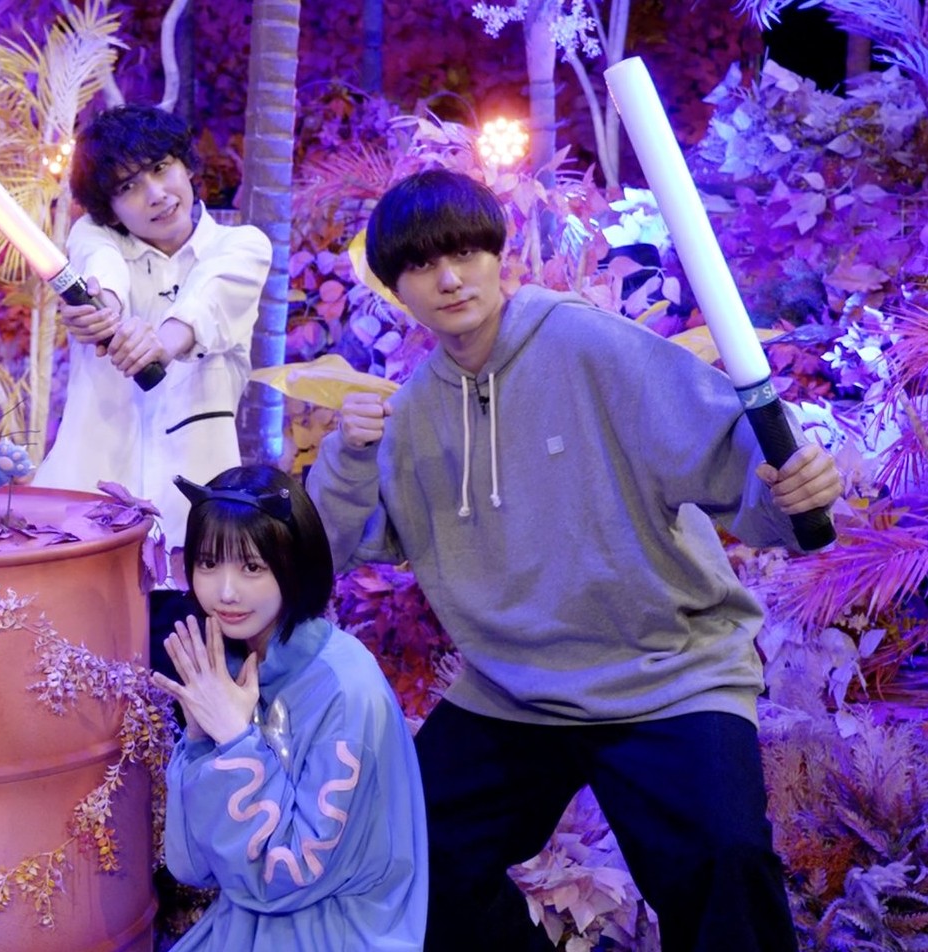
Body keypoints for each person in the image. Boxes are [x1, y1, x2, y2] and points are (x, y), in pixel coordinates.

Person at [306, 169, 844, 952]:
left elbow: (731, 452)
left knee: (725, 864)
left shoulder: (589, 345)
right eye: (421, 265)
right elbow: (327, 550)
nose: (449, 279)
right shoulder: (410, 413)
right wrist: (347, 460)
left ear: (498, 256)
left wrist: (792, 493)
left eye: (464, 253)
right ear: (396, 288)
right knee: (401, 855)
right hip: (513, 691)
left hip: (666, 674)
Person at [153, 464, 427, 951]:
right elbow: (192, 866)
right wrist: (198, 740)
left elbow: (287, 876)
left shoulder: (345, 689)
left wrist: (235, 741)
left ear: (294, 566)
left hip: (333, 931)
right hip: (244, 919)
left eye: (252, 568)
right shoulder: (232, 664)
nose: (226, 591)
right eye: (209, 563)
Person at [31, 104, 272, 551]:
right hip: (81, 517)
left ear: (186, 165)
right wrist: (102, 308)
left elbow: (208, 301)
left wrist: (159, 344)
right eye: (128, 186)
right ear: (110, 210)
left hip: (195, 527)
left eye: (161, 168)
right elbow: (101, 269)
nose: (156, 194)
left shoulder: (242, 247)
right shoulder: (93, 235)